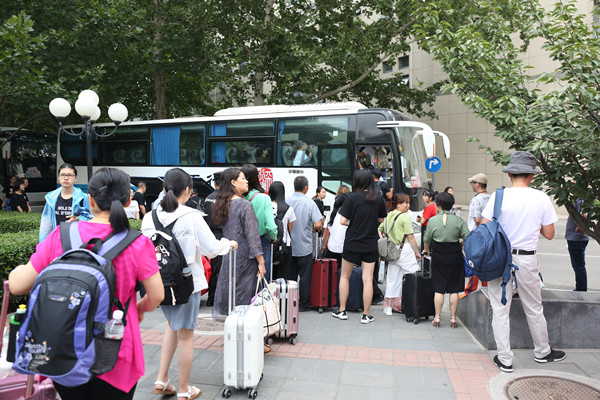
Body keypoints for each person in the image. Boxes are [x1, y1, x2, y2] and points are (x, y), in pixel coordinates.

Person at [9, 167, 164, 400]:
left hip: (64, 348)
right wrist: (138, 310)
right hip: (116, 353)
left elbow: (18, 285)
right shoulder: (138, 243)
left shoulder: (62, 235)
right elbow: (156, 296)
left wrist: (18, 270)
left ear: (89, 200)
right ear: (129, 199)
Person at [141, 168, 235, 400]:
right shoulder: (191, 216)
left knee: (173, 326)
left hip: (159, 284)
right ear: (187, 191)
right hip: (185, 284)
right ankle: (184, 390)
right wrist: (229, 244)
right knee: (185, 335)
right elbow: (212, 249)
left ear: (163, 189)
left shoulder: (148, 217)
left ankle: (162, 379)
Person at [481, 151, 565, 373]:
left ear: (509, 174)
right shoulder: (541, 198)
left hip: (500, 259)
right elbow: (549, 233)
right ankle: (542, 352)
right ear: (532, 176)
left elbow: (483, 225)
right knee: (534, 307)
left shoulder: (498, 196)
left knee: (500, 309)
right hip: (527, 258)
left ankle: (505, 358)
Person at [332, 169, 387, 324]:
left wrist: (355, 223)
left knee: (345, 276)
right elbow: (382, 219)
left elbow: (343, 221)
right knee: (368, 280)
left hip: (352, 243)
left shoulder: (351, 197)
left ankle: (342, 310)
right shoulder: (378, 198)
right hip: (370, 244)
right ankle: (366, 314)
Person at [212, 168, 266, 319]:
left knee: (230, 291)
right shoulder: (245, 205)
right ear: (233, 182)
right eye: (243, 178)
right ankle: (243, 329)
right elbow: (253, 237)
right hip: (246, 259)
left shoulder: (222, 204)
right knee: (245, 296)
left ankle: (231, 326)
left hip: (229, 255)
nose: (247, 181)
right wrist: (261, 262)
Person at [422, 192, 469, 328]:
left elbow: (427, 240)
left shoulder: (433, 220)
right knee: (454, 288)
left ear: (438, 205)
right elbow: (468, 237)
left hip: (438, 255)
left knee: (439, 287)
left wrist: (427, 250)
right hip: (455, 255)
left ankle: (437, 318)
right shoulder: (458, 221)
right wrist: (459, 244)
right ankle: (453, 319)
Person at [378, 194, 421, 316]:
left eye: (408, 203)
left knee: (392, 279)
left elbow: (380, 229)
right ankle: (413, 304)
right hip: (404, 249)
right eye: (405, 203)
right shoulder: (404, 217)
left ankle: (389, 308)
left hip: (391, 250)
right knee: (413, 274)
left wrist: (385, 239)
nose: (408, 205)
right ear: (398, 204)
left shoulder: (388, 216)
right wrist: (417, 252)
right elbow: (411, 236)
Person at [286, 176, 323, 311]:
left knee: (290, 277)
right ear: (306, 188)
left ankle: (288, 302)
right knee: (305, 277)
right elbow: (318, 223)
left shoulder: (286, 200)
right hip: (304, 246)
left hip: (289, 247)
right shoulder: (310, 203)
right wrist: (315, 227)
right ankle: (302, 305)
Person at [39, 163, 91, 243]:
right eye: (63, 175)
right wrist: (42, 245)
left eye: (70, 175)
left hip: (77, 242)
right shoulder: (51, 198)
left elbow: (92, 219)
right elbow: (46, 224)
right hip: (57, 241)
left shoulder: (83, 198)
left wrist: (78, 219)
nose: (66, 178)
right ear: (59, 177)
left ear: (75, 178)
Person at [242, 164, 277, 281]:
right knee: (261, 279)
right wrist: (273, 237)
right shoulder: (264, 198)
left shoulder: (237, 198)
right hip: (261, 241)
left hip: (241, 242)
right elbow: (271, 227)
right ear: (256, 178)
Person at [462, 173, 491, 297]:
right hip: (489, 235)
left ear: (477, 184)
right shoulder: (490, 197)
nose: (472, 185)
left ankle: (469, 292)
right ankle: (486, 291)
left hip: (476, 236)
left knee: (474, 263)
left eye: (472, 183)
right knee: (485, 263)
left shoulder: (476, 200)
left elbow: (477, 220)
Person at [269, 181, 296, 280]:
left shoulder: (266, 206)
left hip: (269, 244)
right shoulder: (289, 208)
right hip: (284, 245)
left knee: (269, 275)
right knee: (283, 275)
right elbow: (290, 228)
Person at [204, 171, 223, 306]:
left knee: (211, 267)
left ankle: (211, 297)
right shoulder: (225, 199)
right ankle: (216, 298)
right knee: (220, 269)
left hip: (209, 235)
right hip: (222, 235)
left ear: (214, 183)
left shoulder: (208, 198)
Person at [322, 185, 350, 267]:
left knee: (332, 271)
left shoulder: (330, 214)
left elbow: (326, 232)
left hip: (332, 247)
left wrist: (324, 246)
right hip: (345, 248)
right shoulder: (348, 215)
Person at [566, 198, 589, 291]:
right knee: (578, 265)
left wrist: (580, 227)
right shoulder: (581, 198)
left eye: (574, 182)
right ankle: (580, 288)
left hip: (576, 238)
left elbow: (584, 215)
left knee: (578, 266)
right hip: (576, 237)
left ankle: (581, 289)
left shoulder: (581, 199)